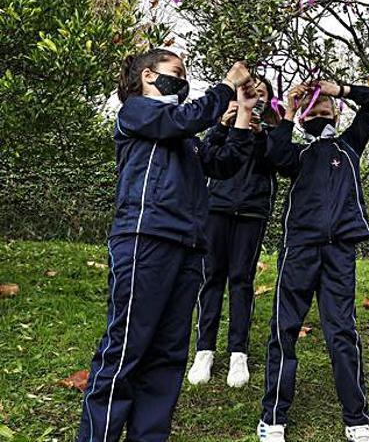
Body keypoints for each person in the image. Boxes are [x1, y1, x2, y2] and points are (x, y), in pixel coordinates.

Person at [77, 49, 257, 442]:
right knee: (127, 348)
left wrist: (242, 113)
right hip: (145, 239)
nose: (183, 80)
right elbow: (185, 118)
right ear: (147, 75)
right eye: (175, 73)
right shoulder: (138, 112)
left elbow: (222, 164)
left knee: (168, 357)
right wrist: (226, 85)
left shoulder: (184, 137)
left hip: (188, 247)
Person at [257, 80, 369, 442]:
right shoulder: (297, 154)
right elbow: (275, 154)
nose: (317, 112)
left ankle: (357, 420)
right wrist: (289, 112)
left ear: (336, 111)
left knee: (342, 332)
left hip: (339, 253)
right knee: (283, 331)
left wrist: (339, 88)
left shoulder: (349, 146)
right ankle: (273, 418)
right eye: (311, 110)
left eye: (323, 106)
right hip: (298, 250)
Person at [187, 76, 281, 388]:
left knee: (241, 279)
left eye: (261, 93)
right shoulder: (223, 126)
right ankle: (205, 350)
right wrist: (222, 126)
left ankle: (238, 352)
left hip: (252, 211)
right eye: (250, 91)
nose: (255, 97)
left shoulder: (270, 133)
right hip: (217, 207)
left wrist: (260, 136)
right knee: (211, 276)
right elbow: (205, 157)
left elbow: (278, 161)